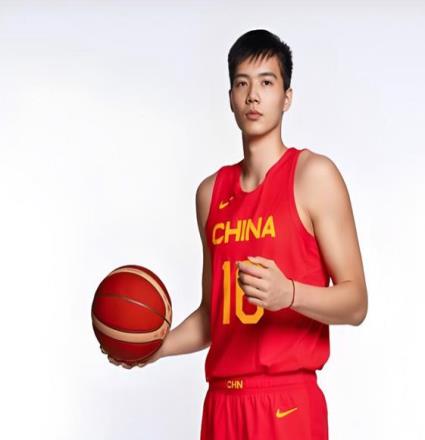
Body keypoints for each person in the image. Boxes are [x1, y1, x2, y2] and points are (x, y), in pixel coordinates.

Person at [104, 29, 368, 439]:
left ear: (287, 97)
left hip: (286, 401)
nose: (253, 96)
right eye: (242, 84)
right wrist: (154, 348)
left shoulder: (313, 176)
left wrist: (290, 294)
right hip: (222, 404)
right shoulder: (210, 193)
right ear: (230, 98)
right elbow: (214, 317)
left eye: (267, 83)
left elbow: (356, 303)